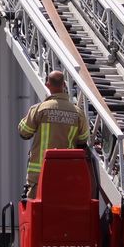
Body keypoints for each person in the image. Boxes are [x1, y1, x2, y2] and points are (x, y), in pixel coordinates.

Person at [18, 70, 89, 198]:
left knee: (37, 212)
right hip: (66, 175)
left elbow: (24, 132)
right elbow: (83, 140)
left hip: (39, 175)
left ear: (48, 85)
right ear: (64, 86)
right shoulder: (78, 113)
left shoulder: (39, 109)